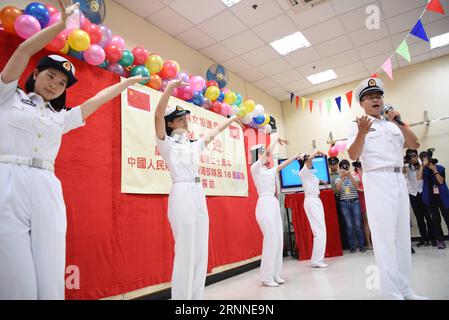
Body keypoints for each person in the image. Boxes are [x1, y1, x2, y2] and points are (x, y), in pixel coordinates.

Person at [0, 1, 147, 300]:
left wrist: (126, 83)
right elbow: (22, 52)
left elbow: (98, 99)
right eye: (50, 76)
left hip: (46, 186)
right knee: (16, 276)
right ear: (36, 75)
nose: (55, 84)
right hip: (8, 181)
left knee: (52, 266)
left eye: (62, 82)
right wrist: (61, 26)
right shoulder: (8, 96)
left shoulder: (61, 117)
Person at [154, 78, 240, 300]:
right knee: (185, 250)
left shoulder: (193, 145)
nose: (185, 122)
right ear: (170, 123)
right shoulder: (166, 144)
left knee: (201, 250)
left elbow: (213, 134)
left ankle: (196, 298)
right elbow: (157, 116)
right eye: (180, 119)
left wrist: (231, 120)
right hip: (181, 192)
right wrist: (170, 89)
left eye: (185, 119)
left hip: (197, 193)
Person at [347, 77, 427, 300]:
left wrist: (400, 122)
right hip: (377, 180)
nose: (376, 100)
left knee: (403, 237)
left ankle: (405, 290)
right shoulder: (357, 125)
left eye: (378, 96)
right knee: (384, 240)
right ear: (362, 103)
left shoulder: (392, 124)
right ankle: (391, 294)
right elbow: (353, 155)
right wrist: (363, 132)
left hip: (399, 179)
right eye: (370, 97)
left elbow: (414, 144)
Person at [250, 137, 299, 287]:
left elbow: (283, 165)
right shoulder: (255, 169)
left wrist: (295, 156)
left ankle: (276, 273)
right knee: (270, 240)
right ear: (257, 156)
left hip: (273, 203)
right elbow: (268, 152)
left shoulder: (270, 170)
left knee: (278, 239)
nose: (266, 155)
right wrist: (276, 140)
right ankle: (266, 276)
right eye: (262, 153)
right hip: (264, 204)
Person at [298, 150, 328, 268]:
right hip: (311, 201)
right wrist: (316, 151)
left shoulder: (309, 174)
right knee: (319, 231)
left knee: (321, 230)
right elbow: (310, 160)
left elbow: (315, 180)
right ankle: (316, 261)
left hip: (316, 200)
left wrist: (322, 181)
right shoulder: (303, 172)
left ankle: (317, 259)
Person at [417, 150, 449, 249]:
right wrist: (422, 166)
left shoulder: (439, 168)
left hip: (442, 197)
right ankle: (440, 241)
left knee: (448, 218)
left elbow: (441, 181)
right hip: (431, 199)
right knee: (436, 221)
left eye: (426, 159)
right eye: (423, 159)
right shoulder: (423, 170)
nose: (425, 161)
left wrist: (435, 170)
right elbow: (418, 178)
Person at [403, 149, 434, 247]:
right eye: (410, 156)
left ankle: (432, 238)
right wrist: (403, 161)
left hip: (423, 192)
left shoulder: (422, 164)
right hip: (412, 194)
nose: (412, 158)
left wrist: (420, 164)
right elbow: (402, 172)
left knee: (428, 217)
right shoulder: (406, 166)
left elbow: (418, 178)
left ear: (417, 155)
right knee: (419, 218)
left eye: (413, 156)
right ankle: (424, 239)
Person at [335, 160, 366, 253]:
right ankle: (352, 247)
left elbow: (357, 186)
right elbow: (337, 190)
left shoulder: (355, 177)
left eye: (346, 167)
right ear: (340, 169)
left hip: (355, 202)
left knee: (358, 225)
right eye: (342, 167)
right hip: (344, 203)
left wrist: (350, 176)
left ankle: (362, 246)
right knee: (349, 226)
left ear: (349, 167)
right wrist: (342, 178)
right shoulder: (338, 179)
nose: (344, 169)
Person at [329, 156, 349, 250]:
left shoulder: (341, 174)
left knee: (343, 220)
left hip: (341, 197)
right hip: (330, 199)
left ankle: (345, 244)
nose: (333, 165)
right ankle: (337, 244)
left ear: (337, 164)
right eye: (331, 164)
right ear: (329, 165)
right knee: (333, 222)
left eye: (335, 163)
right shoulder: (327, 176)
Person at [353, 160, 372, 250]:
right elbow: (356, 187)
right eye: (358, 164)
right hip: (362, 199)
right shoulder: (355, 175)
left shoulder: (369, 173)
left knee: (374, 221)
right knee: (366, 221)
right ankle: (368, 243)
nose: (360, 165)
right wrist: (360, 172)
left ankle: (375, 241)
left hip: (371, 198)